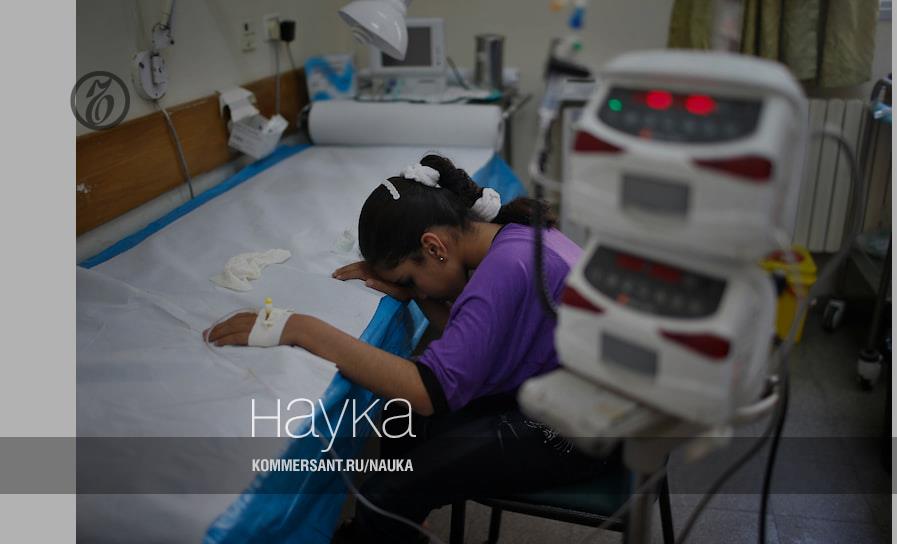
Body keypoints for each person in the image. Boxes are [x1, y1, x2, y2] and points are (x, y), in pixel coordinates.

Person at [206, 154, 618, 543]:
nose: (410, 287)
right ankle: (405, 527)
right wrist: (419, 294)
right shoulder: (515, 238)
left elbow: (428, 390)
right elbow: (474, 346)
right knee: (398, 418)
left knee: (387, 494)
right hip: (567, 395)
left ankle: (392, 520)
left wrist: (300, 328)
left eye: (408, 278)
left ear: (434, 247)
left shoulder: (507, 268)